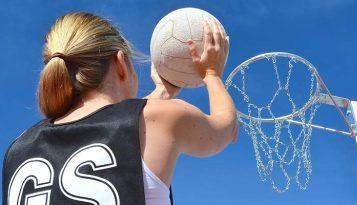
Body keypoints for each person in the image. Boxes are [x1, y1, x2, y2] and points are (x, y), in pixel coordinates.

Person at [2, 12, 237, 205]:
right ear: (120, 63)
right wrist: (211, 74)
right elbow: (226, 129)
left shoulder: (18, 149)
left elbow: (106, 124)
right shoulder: (160, 118)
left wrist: (162, 92)